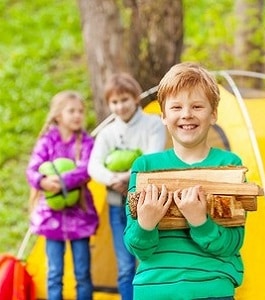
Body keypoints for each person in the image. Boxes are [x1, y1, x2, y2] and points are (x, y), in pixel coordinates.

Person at [124, 62, 245, 300]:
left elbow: (232, 244)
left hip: (212, 291)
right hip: (155, 291)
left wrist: (200, 222)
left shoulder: (228, 165)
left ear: (213, 114)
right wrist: (146, 224)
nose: (186, 114)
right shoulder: (144, 167)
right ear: (163, 116)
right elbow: (137, 247)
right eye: (176, 107)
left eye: (197, 106)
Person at [88, 72, 166, 300]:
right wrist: (114, 179)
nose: (120, 107)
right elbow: (94, 166)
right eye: (114, 102)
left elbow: (152, 157)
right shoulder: (107, 133)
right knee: (125, 266)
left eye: (124, 100)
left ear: (135, 98)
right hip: (117, 205)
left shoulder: (152, 124)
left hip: (147, 203)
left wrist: (127, 177)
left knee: (150, 262)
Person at [26, 90, 99, 300]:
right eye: (72, 111)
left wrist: (62, 183)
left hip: (80, 216)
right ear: (58, 115)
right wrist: (43, 182)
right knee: (55, 273)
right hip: (52, 219)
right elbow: (32, 169)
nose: (77, 115)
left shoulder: (85, 142)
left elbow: (86, 168)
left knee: (83, 273)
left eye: (81, 111)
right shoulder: (47, 142)